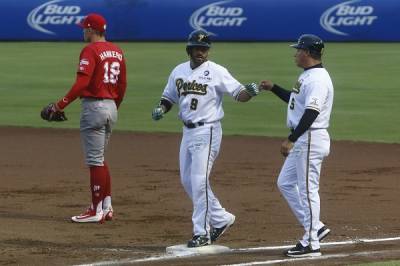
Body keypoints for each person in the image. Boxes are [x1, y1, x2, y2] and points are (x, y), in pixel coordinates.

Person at [152, 29, 259, 248]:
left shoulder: (217, 71)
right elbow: (169, 96)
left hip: (208, 130)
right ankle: (221, 218)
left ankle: (202, 232)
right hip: (187, 131)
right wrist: (161, 108)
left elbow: (239, 94)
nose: (201, 52)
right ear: (189, 49)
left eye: (204, 48)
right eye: (197, 48)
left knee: (199, 181)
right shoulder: (179, 71)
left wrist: (249, 91)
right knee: (187, 180)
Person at [41, 13, 127, 223]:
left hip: (94, 107)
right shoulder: (116, 50)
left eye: (84, 28)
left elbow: (82, 83)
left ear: (91, 30)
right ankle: (106, 207)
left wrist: (60, 104)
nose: (82, 31)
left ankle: (95, 210)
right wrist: (113, 107)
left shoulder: (90, 50)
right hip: (111, 107)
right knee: (100, 159)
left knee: (95, 160)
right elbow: (122, 84)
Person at [259, 34, 333, 257]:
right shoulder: (308, 76)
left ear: (308, 53)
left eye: (298, 50)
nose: (295, 53)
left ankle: (312, 243)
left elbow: (312, 112)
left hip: (309, 137)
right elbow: (296, 101)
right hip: (305, 138)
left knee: (309, 191)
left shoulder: (318, 79)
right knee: (286, 183)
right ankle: (316, 227)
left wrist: (292, 139)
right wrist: (274, 88)